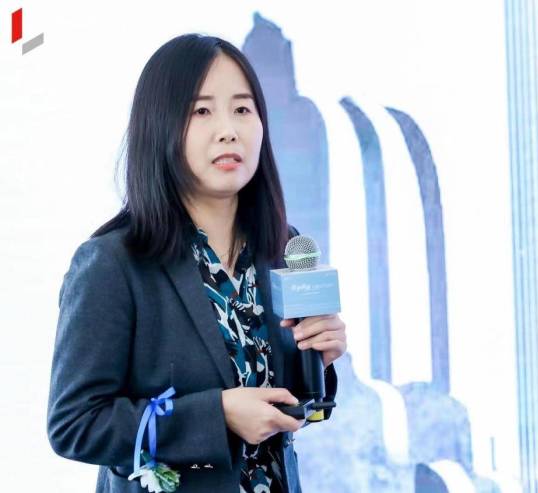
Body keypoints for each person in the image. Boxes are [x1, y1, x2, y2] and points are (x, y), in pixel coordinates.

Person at [46, 33, 347, 493]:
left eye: (242, 109)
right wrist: (216, 415)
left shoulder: (280, 248)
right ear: (160, 126)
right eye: (202, 111)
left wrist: (320, 362)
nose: (228, 130)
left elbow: (292, 411)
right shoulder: (112, 262)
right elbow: (75, 424)